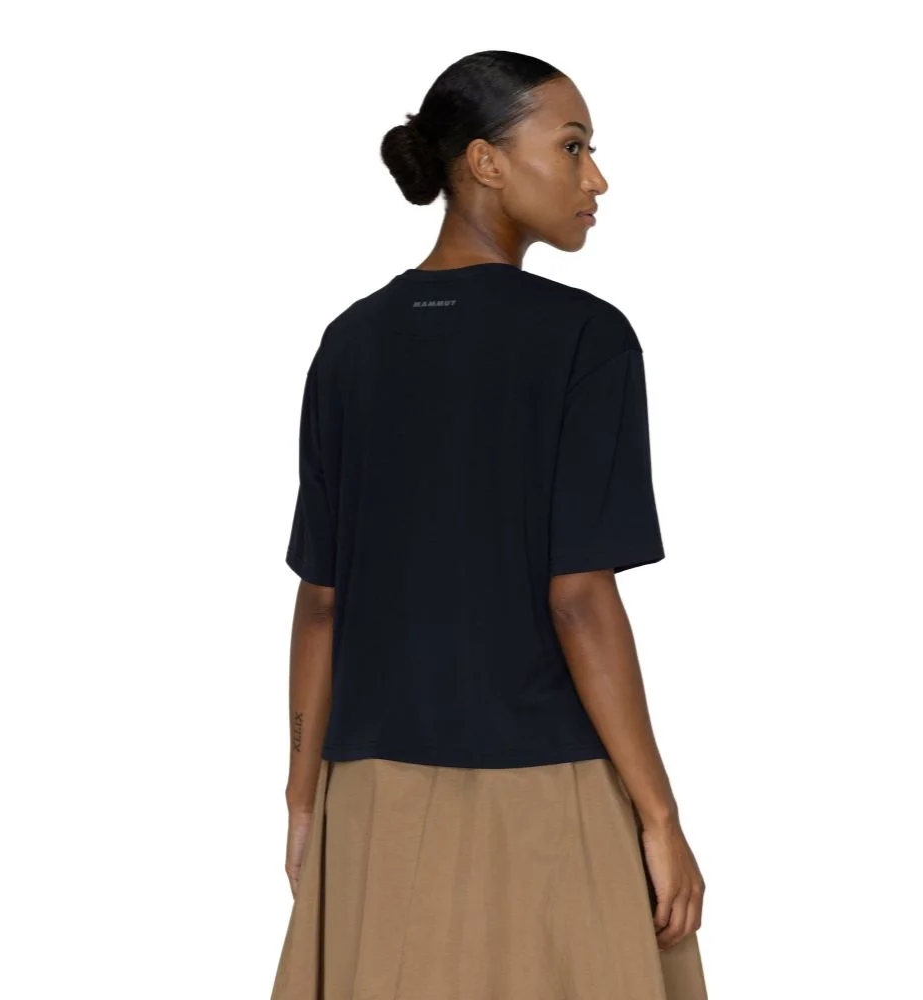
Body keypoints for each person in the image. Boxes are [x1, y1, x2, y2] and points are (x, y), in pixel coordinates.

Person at [270, 49, 708, 1000]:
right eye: (573, 146)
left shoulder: (350, 344)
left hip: (372, 795)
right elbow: (580, 600)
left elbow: (321, 602)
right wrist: (659, 815)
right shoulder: (586, 339)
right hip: (548, 795)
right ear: (486, 161)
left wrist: (304, 797)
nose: (597, 178)